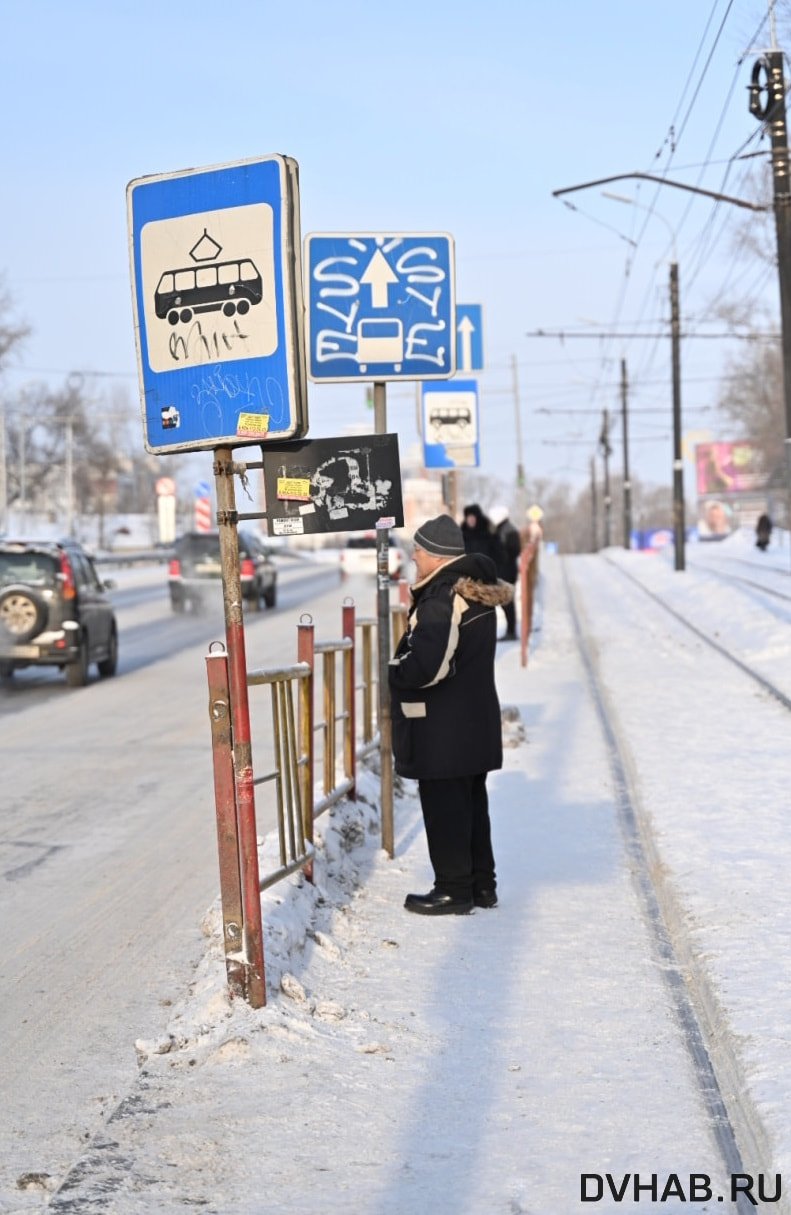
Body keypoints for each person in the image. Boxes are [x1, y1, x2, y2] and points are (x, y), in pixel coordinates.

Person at [389, 514, 514, 916]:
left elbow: (427, 665)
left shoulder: (442, 597)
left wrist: (393, 670)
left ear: (437, 557)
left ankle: (453, 890)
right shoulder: (473, 592)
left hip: (442, 727)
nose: (414, 556)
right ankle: (481, 886)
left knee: (445, 808)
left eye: (419, 551)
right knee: (471, 806)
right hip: (470, 720)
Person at [489, 504, 521, 640]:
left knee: (507, 602)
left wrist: (500, 555)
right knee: (505, 601)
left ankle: (511, 631)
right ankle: (510, 630)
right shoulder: (503, 529)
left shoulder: (508, 530)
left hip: (506, 572)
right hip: (504, 571)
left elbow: (514, 551)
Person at [461, 502, 503, 567]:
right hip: (467, 570)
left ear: (478, 517)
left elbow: (498, 555)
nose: (471, 520)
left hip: (486, 570)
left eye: (473, 517)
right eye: (468, 517)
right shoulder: (462, 534)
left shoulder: (489, 532)